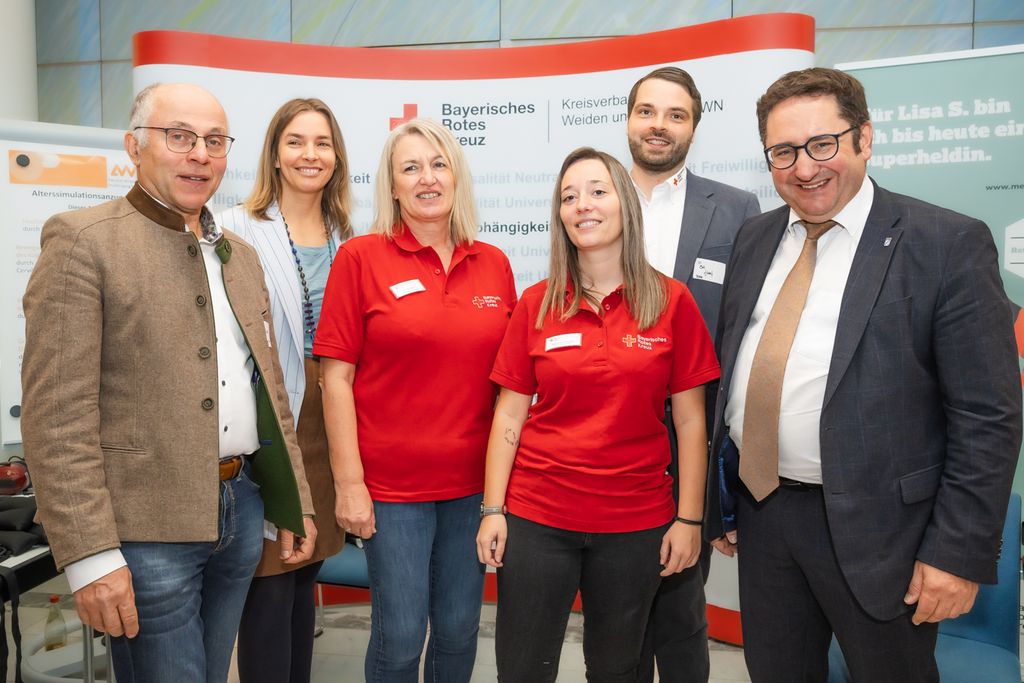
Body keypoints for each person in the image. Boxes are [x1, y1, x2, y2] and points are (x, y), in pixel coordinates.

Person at [705, 67, 1022, 682]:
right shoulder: (755, 237)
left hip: (887, 534)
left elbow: (988, 417)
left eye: (823, 144)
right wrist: (725, 499)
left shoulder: (945, 242)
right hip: (766, 515)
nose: (804, 167)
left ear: (865, 138)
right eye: (784, 152)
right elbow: (738, 374)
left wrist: (955, 554)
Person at [20, 82, 316, 683]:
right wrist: (90, 557)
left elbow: (270, 391)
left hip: (238, 512)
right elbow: (56, 416)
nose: (200, 154)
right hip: (141, 530)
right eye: (179, 137)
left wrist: (296, 503)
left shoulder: (240, 253)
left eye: (214, 140)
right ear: (134, 146)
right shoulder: (83, 242)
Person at [477, 147, 721, 683]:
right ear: (559, 216)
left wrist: (689, 520)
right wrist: (493, 508)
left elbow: (691, 424)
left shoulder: (672, 301)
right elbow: (509, 417)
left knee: (619, 670)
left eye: (596, 191)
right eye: (568, 196)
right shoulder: (538, 302)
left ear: (624, 206)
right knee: (521, 667)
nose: (581, 205)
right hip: (537, 517)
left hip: (636, 524)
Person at [314, 118, 517, 682]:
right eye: (411, 168)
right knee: (401, 634)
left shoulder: (494, 264)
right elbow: (335, 379)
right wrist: (350, 484)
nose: (427, 178)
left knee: (458, 630)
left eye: (438, 164)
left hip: (473, 490)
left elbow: (512, 388)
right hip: (391, 491)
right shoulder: (360, 258)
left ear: (457, 176)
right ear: (393, 185)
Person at [626, 66, 760, 683]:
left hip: (691, 437)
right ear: (629, 120)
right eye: (648, 111)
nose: (659, 125)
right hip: (603, 441)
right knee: (615, 609)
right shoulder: (591, 198)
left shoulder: (736, 209)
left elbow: (741, 327)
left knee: (681, 610)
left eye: (675, 115)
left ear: (694, 127)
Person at [218, 97, 351, 683]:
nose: (309, 154)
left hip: (332, 422)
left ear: (337, 157)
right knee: (270, 583)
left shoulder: (351, 235)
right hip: (274, 425)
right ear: (274, 153)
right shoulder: (236, 229)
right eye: (296, 141)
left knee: (304, 575)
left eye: (322, 143)